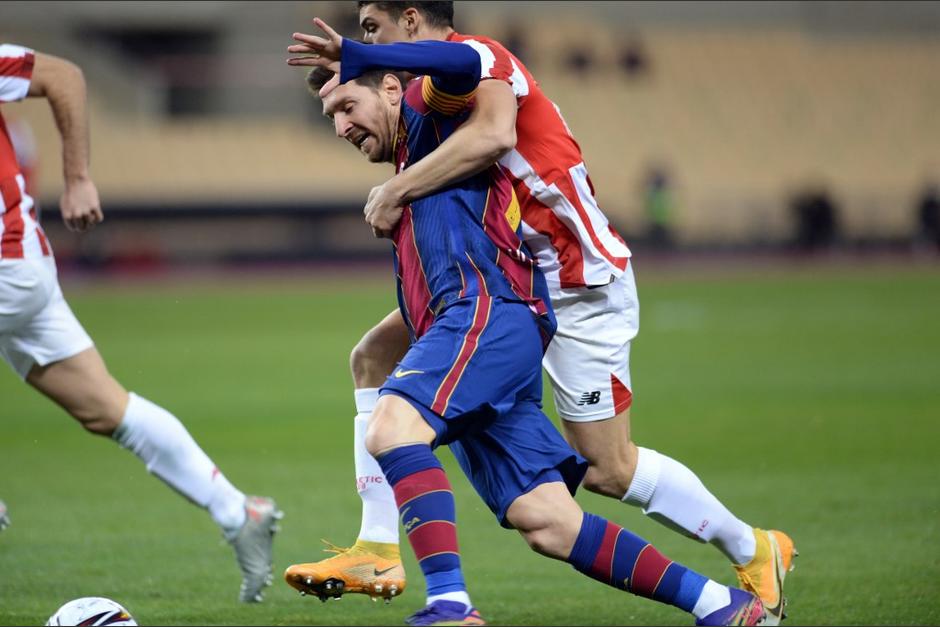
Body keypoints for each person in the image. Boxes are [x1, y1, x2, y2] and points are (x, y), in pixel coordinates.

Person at [285, 3, 796, 624]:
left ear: (411, 24)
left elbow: (478, 100)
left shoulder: (448, 88)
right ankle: (721, 605)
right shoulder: (420, 135)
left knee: (596, 464)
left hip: (565, 279)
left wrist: (368, 65)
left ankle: (447, 601)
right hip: (511, 291)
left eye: (373, 29)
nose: (340, 125)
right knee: (546, 517)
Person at [0, 43, 281, 603]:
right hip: (24, 264)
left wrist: (78, 178)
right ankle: (236, 509)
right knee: (106, 408)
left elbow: (64, 75)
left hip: (6, 261)